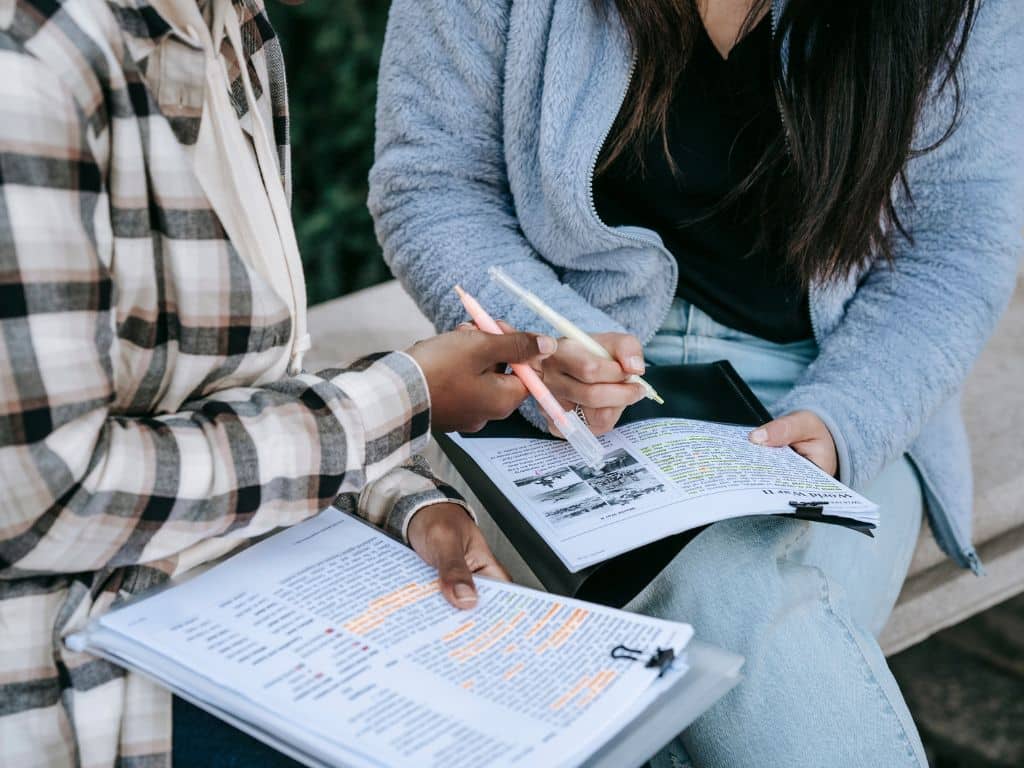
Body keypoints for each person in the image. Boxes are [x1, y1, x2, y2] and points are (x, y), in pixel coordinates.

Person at [369, 0, 1024, 765]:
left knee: (699, 596)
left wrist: (850, 416)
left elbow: (957, 241)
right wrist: (548, 343)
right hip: (556, 393)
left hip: (832, 384)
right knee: (708, 615)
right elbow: (434, 182)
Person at [0, 1, 558, 766]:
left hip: (256, 605)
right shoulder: (27, 64)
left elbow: (243, 393)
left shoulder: (236, 28)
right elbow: (46, 495)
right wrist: (402, 400)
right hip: (95, 679)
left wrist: (404, 501)